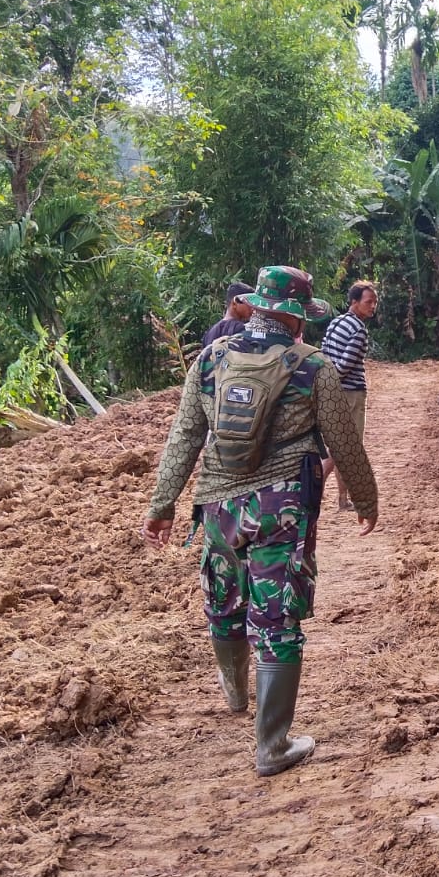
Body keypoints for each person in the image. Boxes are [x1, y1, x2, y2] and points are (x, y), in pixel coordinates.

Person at [142, 265, 378, 778]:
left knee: (224, 602)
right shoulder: (313, 367)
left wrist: (161, 507)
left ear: (255, 309)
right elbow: (344, 442)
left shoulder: (209, 361)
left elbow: (183, 439)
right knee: (277, 619)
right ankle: (272, 746)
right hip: (281, 508)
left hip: (218, 508)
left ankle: (234, 695)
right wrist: (365, 498)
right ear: (295, 319)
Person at [320, 280, 376, 510]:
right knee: (346, 449)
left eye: (374, 302)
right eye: (368, 302)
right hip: (350, 393)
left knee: (337, 446)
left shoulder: (336, 322)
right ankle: (316, 489)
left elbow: (325, 355)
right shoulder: (358, 330)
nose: (373, 306)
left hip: (331, 392)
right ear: (354, 302)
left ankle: (343, 499)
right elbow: (344, 366)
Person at [201, 281, 254, 348]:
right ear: (235, 303)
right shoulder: (243, 330)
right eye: (249, 303)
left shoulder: (209, 333)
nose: (252, 308)